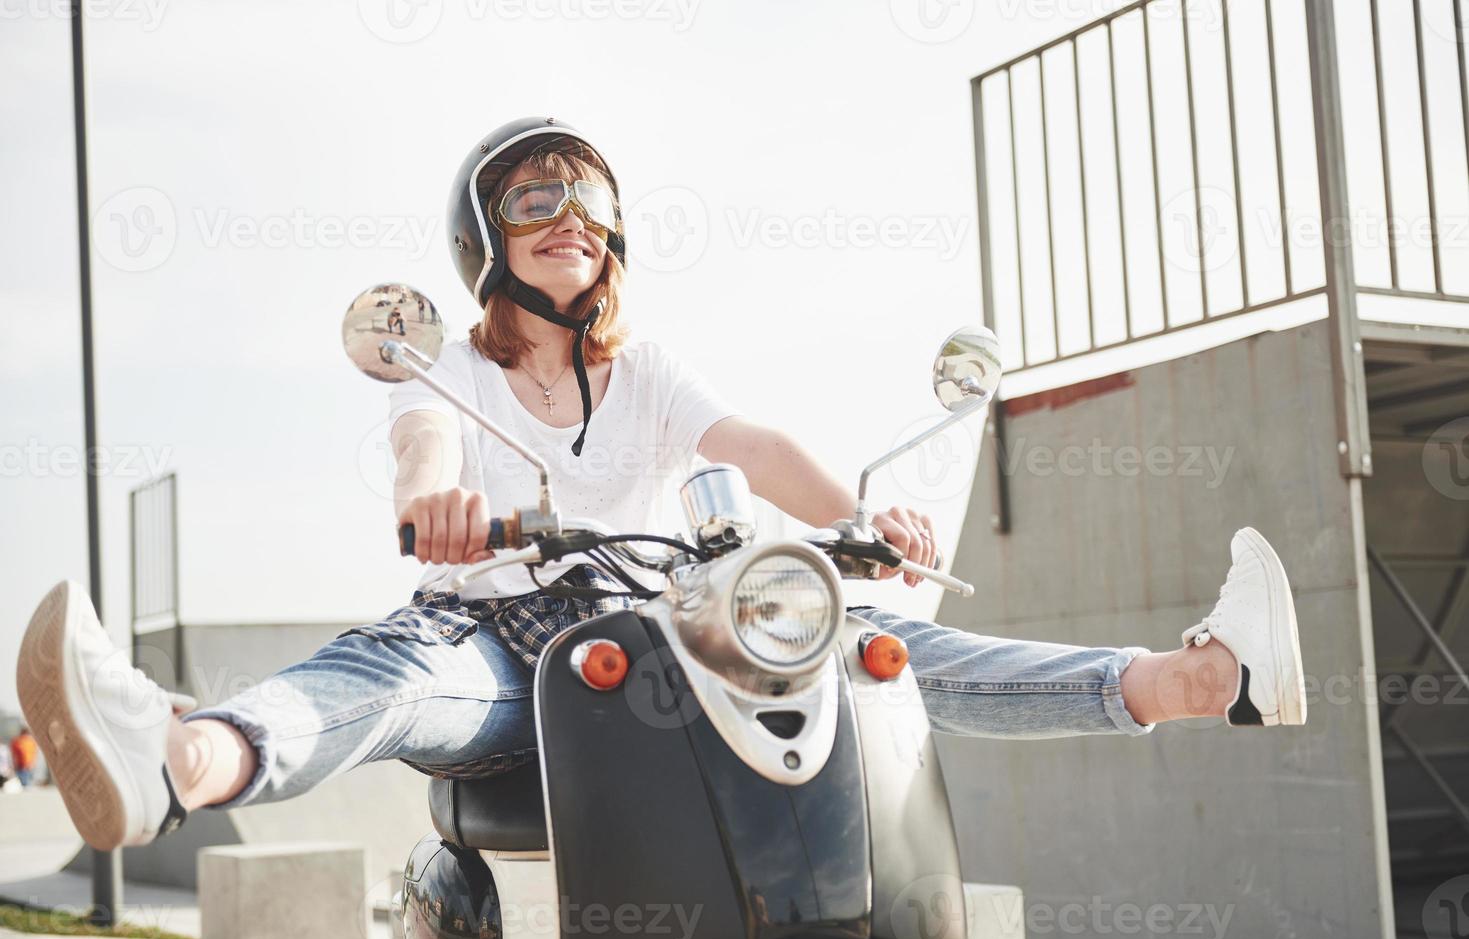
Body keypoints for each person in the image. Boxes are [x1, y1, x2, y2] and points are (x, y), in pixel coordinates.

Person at [15, 118, 1306, 852]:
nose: (568, 210)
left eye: (588, 194)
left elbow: (750, 446)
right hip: (502, 637)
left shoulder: (645, 370)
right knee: (396, 678)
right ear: (488, 241)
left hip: (668, 621)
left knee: (881, 648)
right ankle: (177, 758)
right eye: (533, 196)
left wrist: (850, 527)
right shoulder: (449, 371)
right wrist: (439, 508)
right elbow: (426, 455)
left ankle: (1195, 678)